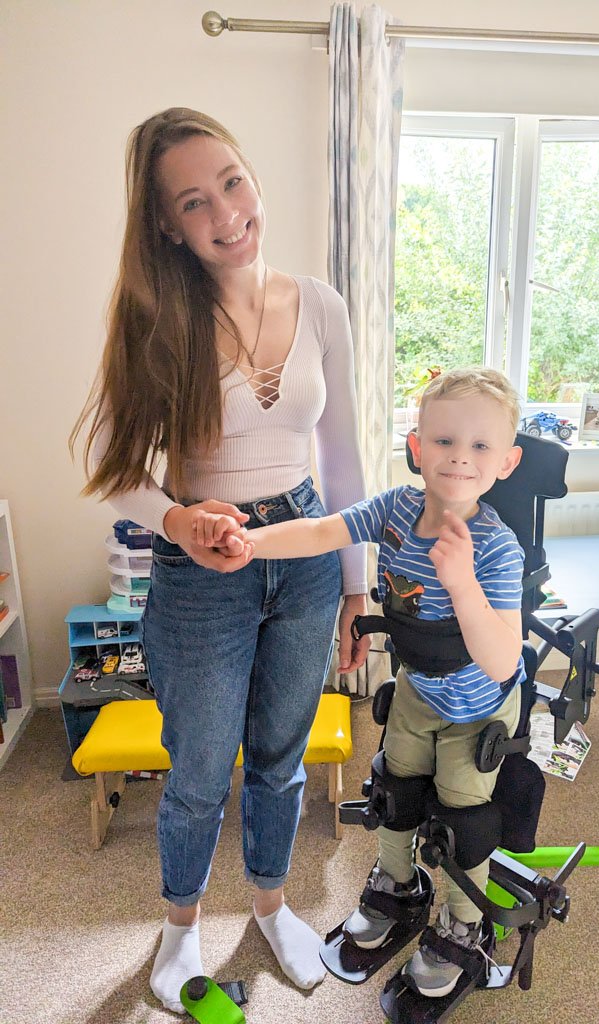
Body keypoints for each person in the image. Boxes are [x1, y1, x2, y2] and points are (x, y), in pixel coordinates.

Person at [70, 107, 370, 1013]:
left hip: (309, 551)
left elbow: (346, 455)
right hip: (205, 569)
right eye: (194, 202)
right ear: (166, 222)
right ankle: (178, 931)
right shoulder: (154, 313)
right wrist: (176, 521)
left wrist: (358, 585)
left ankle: (274, 907)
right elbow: (112, 470)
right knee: (200, 770)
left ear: (253, 177)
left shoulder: (319, 303)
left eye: (232, 182)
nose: (225, 213)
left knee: (280, 756)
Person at [209, 366, 526, 999]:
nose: (460, 458)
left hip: (476, 706)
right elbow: (325, 530)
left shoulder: (496, 549)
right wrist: (251, 541)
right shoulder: (395, 510)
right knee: (393, 788)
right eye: (443, 441)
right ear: (416, 445)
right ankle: (395, 883)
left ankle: (465, 927)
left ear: (507, 463)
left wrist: (462, 583)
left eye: (480, 447)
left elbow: (501, 659)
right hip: (415, 692)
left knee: (464, 820)